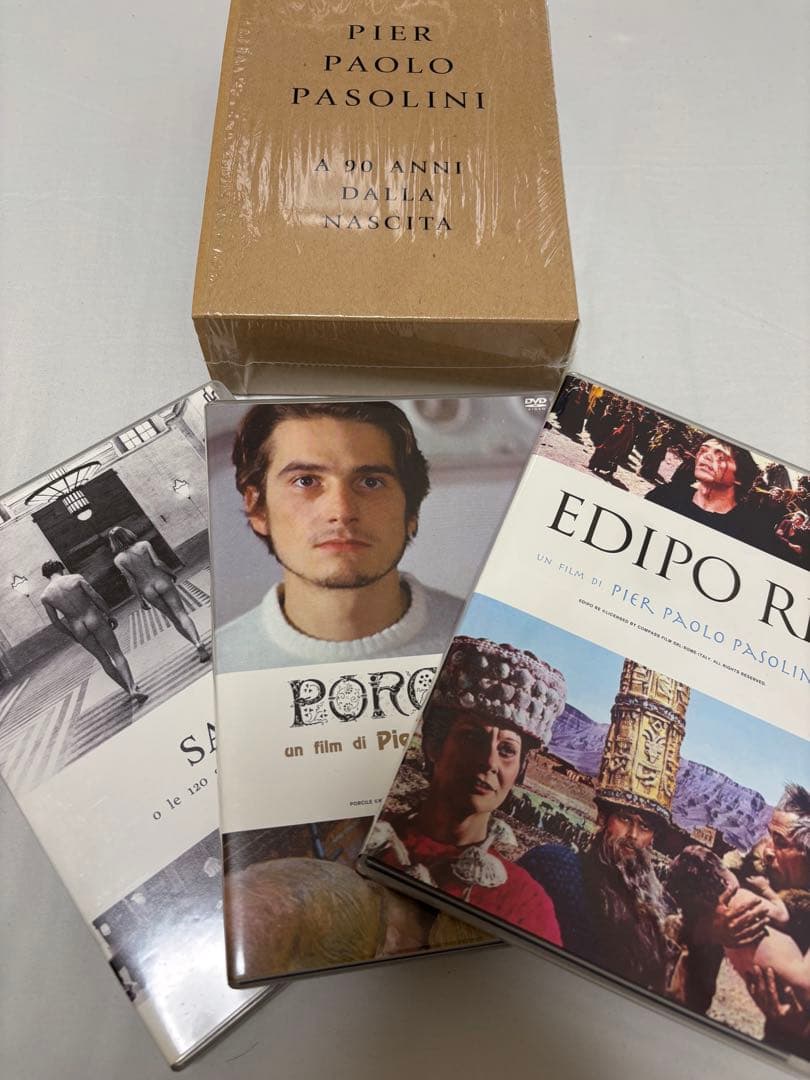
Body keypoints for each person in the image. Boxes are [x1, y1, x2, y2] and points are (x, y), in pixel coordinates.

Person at [217, 402, 463, 669]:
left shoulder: (480, 638)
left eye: (371, 482)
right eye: (306, 481)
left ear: (411, 512)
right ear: (258, 509)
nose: (342, 511)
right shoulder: (222, 664)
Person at [367, 636, 564, 944]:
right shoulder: (366, 837)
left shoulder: (525, 904)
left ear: (519, 771)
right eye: (472, 738)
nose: (489, 762)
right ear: (433, 744)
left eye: (507, 750)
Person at [667, 845, 810, 1049]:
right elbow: (782, 916)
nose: (769, 852)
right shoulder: (736, 907)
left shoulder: (723, 921)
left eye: (781, 842)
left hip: (791, 1002)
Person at [40, 560, 147, 705]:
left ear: (46, 576)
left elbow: (56, 622)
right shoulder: (75, 578)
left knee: (104, 660)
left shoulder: (45, 596)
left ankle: (128, 690)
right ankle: (132, 687)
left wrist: (72, 635)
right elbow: (95, 597)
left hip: (77, 627)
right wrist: (109, 614)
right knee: (116, 654)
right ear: (60, 568)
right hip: (94, 618)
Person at [644, 435, 776, 553]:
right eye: (703, 450)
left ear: (739, 478)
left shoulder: (747, 530)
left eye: (721, 457)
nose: (706, 456)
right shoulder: (666, 494)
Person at [108, 527, 210, 663]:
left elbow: (130, 581)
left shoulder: (118, 560)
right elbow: (157, 563)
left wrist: (140, 600)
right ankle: (199, 642)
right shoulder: (144, 545)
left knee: (174, 619)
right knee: (181, 614)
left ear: (113, 542)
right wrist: (171, 573)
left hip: (147, 590)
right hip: (161, 581)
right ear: (127, 533)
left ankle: (195, 644)